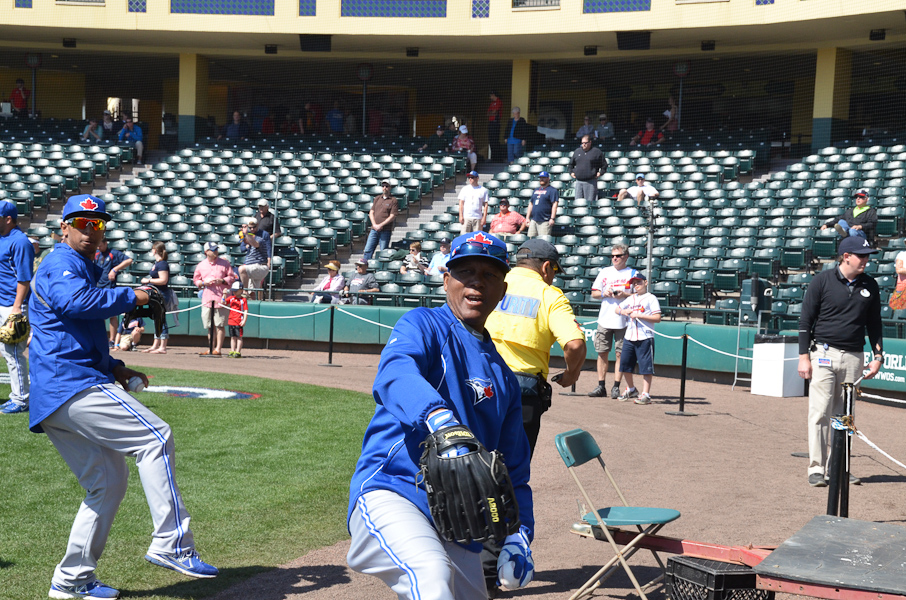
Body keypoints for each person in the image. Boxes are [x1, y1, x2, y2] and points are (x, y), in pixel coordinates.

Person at [29, 194, 218, 600]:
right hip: (71, 384)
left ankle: (71, 580)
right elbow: (73, 303)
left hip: (60, 390)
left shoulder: (85, 265)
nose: (90, 231)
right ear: (64, 227)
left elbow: (79, 330)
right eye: (82, 223)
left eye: (98, 224)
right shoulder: (60, 262)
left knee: (107, 482)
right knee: (155, 436)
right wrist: (132, 296)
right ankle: (172, 544)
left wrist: (115, 366)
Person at [346, 231, 534, 600]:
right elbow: (396, 373)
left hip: (460, 519)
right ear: (447, 280)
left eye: (489, 274)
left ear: (502, 289)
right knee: (429, 576)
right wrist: (438, 418)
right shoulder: (422, 325)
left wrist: (519, 532)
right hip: (395, 491)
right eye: (465, 272)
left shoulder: (505, 379)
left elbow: (514, 470)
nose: (476, 281)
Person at [798, 236, 884, 488]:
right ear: (846, 256)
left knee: (845, 415)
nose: (866, 260)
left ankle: (841, 468)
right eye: (861, 255)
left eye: (868, 255)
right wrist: (804, 357)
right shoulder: (822, 280)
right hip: (823, 354)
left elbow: (875, 324)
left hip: (854, 358)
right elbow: (805, 322)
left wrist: (878, 356)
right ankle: (816, 468)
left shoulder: (871, 285)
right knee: (820, 412)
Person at [486, 239, 586, 455]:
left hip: (481, 383)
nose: (553, 276)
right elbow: (575, 345)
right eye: (555, 270)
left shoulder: (491, 282)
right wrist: (571, 374)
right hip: (523, 391)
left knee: (476, 459)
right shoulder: (550, 295)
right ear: (546, 267)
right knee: (515, 465)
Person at [588, 244, 637, 399]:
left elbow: (640, 296)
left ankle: (616, 386)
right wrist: (604, 292)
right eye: (613, 256)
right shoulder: (605, 272)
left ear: (626, 256)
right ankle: (601, 386)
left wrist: (625, 294)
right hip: (605, 318)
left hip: (624, 320)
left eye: (618, 256)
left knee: (619, 354)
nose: (615, 258)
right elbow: (594, 293)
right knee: (602, 352)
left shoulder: (633, 273)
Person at [0, 201, 34, 415]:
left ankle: (21, 399)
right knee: (7, 352)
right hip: (2, 302)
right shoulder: (3, 238)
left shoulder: (20, 242)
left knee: (13, 352)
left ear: (8, 219)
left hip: (13, 305)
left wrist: (16, 308)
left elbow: (24, 279)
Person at [613, 274, 661, 405]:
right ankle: (631, 389)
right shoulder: (631, 298)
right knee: (625, 365)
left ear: (645, 282)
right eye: (634, 283)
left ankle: (645, 394)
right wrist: (622, 312)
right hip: (629, 336)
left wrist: (639, 315)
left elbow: (657, 317)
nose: (636, 285)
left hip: (645, 336)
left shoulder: (651, 298)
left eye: (638, 282)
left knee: (646, 368)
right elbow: (617, 308)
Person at [192, 242, 235, 356]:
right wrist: (203, 282)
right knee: (209, 326)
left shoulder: (224, 263)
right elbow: (196, 280)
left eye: (216, 249)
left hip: (220, 298)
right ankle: (211, 348)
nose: (215, 251)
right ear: (206, 252)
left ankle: (218, 349)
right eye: (213, 249)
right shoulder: (201, 265)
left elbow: (232, 277)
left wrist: (222, 281)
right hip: (207, 298)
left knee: (220, 325)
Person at [94, 238, 133, 349]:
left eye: (100, 245)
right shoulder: (96, 253)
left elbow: (129, 260)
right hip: (98, 287)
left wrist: (115, 269)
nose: (99, 247)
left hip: (109, 287)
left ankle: (112, 339)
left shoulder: (113, 253)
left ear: (106, 243)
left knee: (112, 315)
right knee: (99, 315)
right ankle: (100, 339)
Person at [140, 241, 172, 354]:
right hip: (156, 293)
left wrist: (148, 281)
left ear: (155, 250)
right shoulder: (157, 263)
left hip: (162, 294)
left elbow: (163, 280)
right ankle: (155, 344)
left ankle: (162, 347)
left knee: (161, 318)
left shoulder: (162, 264)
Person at [362, 180, 399, 261]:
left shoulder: (393, 200)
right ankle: (365, 267)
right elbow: (371, 212)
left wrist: (380, 225)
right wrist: (374, 225)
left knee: (384, 252)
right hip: (374, 229)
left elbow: (392, 216)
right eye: (383, 186)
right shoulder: (377, 198)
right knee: (368, 250)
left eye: (386, 186)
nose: (384, 188)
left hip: (385, 230)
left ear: (390, 187)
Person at [238, 218, 271, 300]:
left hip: (260, 267)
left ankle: (245, 291)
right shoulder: (248, 241)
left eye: (253, 227)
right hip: (252, 266)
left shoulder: (260, 239)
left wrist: (247, 234)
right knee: (252, 293)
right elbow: (242, 248)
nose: (244, 241)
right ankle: (254, 307)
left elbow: (254, 243)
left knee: (242, 269)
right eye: (250, 228)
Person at [569, 135, 607, 203]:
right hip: (579, 182)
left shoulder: (596, 152)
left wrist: (600, 173)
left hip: (591, 182)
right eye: (582, 143)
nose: (583, 145)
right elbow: (570, 164)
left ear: (590, 142)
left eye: (585, 143)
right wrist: (571, 172)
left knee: (590, 203)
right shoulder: (577, 151)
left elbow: (604, 165)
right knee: (578, 203)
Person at [520, 171, 559, 238]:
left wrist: (552, 218)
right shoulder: (536, 190)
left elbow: (555, 204)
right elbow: (531, 204)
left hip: (545, 220)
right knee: (530, 239)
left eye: (543, 178)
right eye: (540, 178)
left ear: (548, 178)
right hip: (534, 220)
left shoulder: (552, 190)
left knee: (543, 241)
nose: (541, 179)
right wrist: (527, 218)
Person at [222, 281, 248, 358]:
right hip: (231, 320)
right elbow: (222, 302)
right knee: (233, 337)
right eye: (234, 291)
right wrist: (224, 294)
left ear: (241, 290)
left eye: (236, 290)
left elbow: (246, 310)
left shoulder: (243, 300)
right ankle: (232, 350)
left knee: (239, 337)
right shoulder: (231, 298)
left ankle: (238, 351)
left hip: (238, 320)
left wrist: (244, 320)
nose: (234, 292)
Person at [487, 92, 503, 162]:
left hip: (496, 123)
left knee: (495, 140)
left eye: (490, 96)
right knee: (491, 140)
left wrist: (492, 112)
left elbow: (495, 112)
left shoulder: (499, 101)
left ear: (493, 95)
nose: (490, 98)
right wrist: (492, 112)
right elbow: (488, 113)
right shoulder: (491, 103)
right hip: (490, 123)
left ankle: (498, 158)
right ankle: (493, 158)